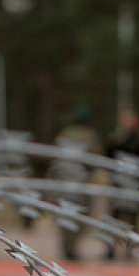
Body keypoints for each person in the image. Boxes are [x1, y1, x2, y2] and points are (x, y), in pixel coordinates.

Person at [50, 105, 104, 261]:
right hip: (81, 184)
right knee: (81, 216)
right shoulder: (91, 136)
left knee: (65, 215)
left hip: (63, 182)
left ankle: (66, 247)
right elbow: (94, 160)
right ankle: (71, 248)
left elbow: (55, 158)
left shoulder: (64, 134)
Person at [104, 109, 139, 259]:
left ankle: (129, 250)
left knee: (133, 220)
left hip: (135, 184)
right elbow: (108, 159)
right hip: (118, 184)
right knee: (113, 218)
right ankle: (110, 249)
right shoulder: (115, 139)